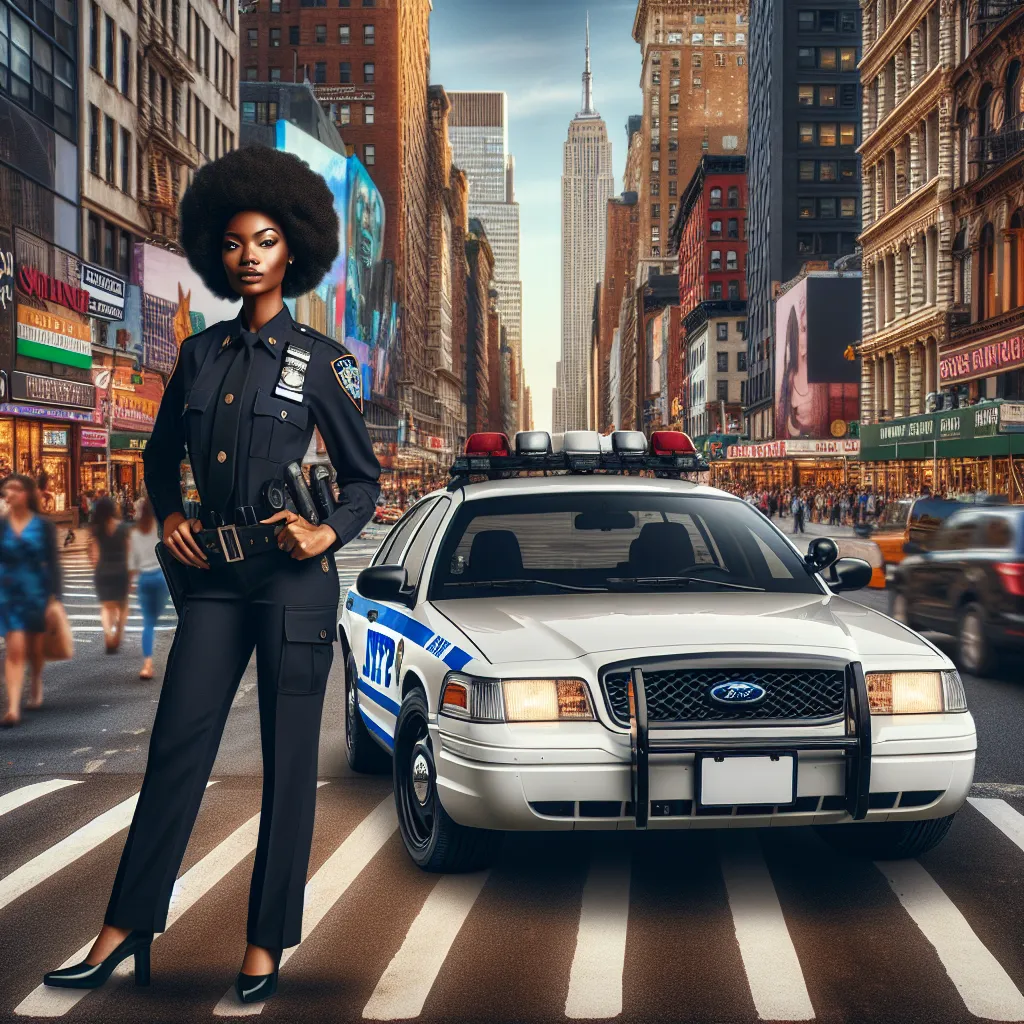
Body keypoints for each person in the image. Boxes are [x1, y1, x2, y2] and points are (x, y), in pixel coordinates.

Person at [42, 145, 380, 1003]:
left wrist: (324, 533)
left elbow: (363, 478)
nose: (248, 255)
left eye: (265, 240)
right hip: (218, 583)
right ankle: (124, 928)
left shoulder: (324, 360)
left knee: (288, 765)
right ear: (216, 256)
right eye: (232, 243)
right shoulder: (197, 356)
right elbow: (159, 461)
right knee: (175, 752)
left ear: (291, 251)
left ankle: (266, 944)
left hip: (294, 583)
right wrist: (177, 516)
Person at [0, 475, 62, 726]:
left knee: (35, 648)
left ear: (27, 494)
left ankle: (35, 680)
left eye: (15, 489)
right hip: (9, 593)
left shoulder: (44, 526)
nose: (10, 493)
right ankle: (13, 706)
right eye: (7, 490)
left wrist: (54, 598)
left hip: (37, 592)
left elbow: (53, 562)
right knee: (15, 648)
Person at [129, 498, 168, 681]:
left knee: (148, 623)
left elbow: (132, 563)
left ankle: (147, 664)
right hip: (160, 577)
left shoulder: (135, 534)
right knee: (166, 616)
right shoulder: (159, 530)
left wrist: (130, 582)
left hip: (144, 579)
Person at [89, 497, 131, 653]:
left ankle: (108, 634)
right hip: (121, 570)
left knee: (106, 607)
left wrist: (96, 569)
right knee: (122, 605)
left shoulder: (96, 530)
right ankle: (118, 635)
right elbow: (129, 552)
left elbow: (94, 554)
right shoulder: (123, 528)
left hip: (103, 570)